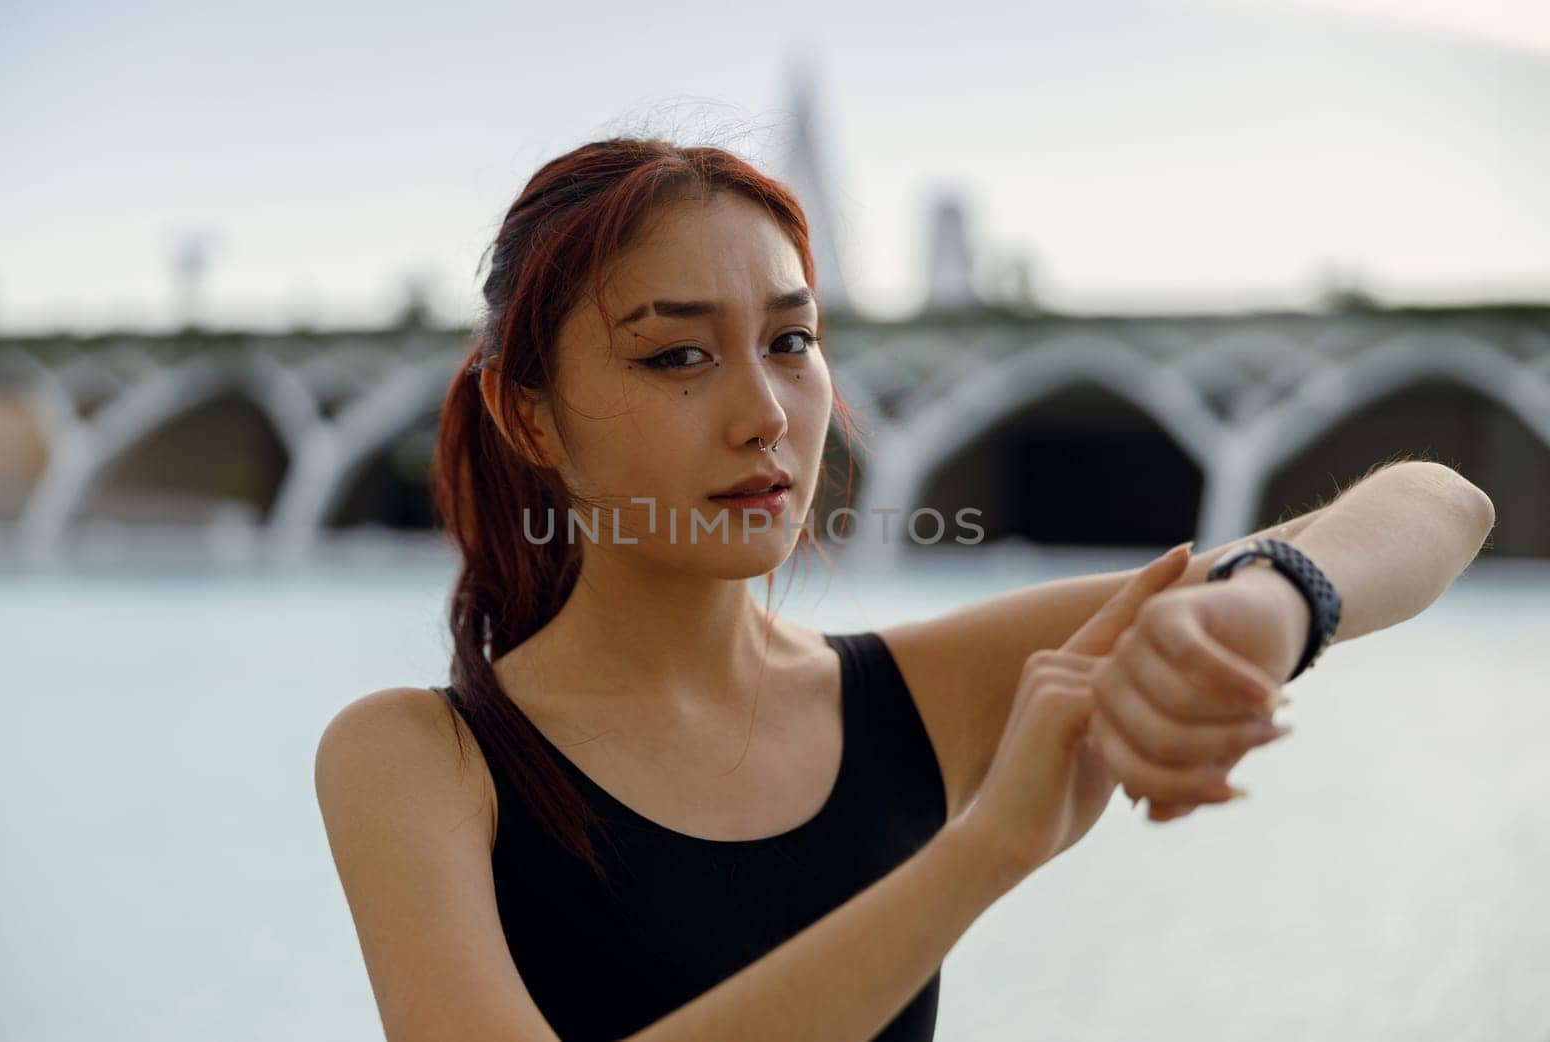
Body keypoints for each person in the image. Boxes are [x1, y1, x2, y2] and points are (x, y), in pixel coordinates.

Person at [313, 137, 1305, 1042]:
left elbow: (1432, 506)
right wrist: (986, 851)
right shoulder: (421, 760)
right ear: (527, 419)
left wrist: (1254, 604)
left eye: (790, 342)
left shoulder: (913, 692)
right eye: (677, 356)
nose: (762, 416)